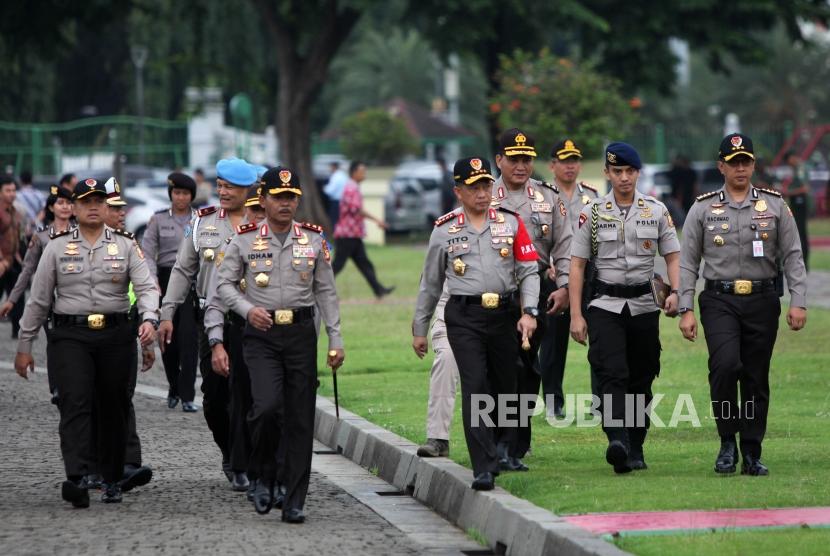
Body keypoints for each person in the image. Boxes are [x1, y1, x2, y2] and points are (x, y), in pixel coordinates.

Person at [14, 177, 159, 507]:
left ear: (106, 206)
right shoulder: (56, 247)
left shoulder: (124, 245)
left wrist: (149, 318)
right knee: (75, 401)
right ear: (74, 208)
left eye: (99, 201)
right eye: (85, 202)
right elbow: (38, 300)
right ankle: (77, 477)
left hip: (115, 335)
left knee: (114, 405)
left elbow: (147, 288)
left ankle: (112, 479)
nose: (93, 207)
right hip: (70, 336)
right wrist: (24, 346)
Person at [218, 166, 344, 523]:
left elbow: (326, 292)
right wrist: (247, 309)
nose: (286, 204)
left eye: (292, 198)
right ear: (265, 199)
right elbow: (224, 287)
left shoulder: (314, 240)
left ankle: (294, 497)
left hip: (301, 334)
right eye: (279, 197)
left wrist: (335, 337)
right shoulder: (243, 239)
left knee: (301, 418)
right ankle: (262, 474)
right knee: (267, 407)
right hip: (261, 335)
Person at [678, 133, 807, 476]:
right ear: (721, 166)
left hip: (763, 300)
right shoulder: (703, 207)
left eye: (745, 162)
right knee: (725, 366)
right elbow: (688, 261)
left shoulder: (775, 205)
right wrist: (685, 307)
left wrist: (799, 301)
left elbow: (793, 255)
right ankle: (726, 441)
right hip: (719, 300)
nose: (740, 168)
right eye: (733, 162)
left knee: (754, 376)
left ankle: (751, 451)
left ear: (753, 165)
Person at [412, 156, 540, 491]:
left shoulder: (511, 223)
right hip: (464, 317)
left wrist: (529, 312)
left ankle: (502, 447)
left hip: (504, 315)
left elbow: (528, 270)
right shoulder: (444, 230)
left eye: (485, 185)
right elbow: (430, 283)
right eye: (474, 187)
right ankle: (483, 465)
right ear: (459, 191)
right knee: (475, 387)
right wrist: (419, 329)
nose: (482, 193)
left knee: (505, 387)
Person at [569, 142, 680, 474]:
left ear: (638, 173)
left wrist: (677, 293)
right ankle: (617, 440)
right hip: (606, 304)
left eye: (629, 171)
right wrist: (576, 314)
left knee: (642, 377)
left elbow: (673, 256)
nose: (624, 177)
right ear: (607, 173)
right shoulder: (593, 212)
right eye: (617, 171)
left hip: (645, 306)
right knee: (612, 373)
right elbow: (576, 266)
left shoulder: (656, 210)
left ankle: (636, 444)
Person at [158, 158, 256, 486]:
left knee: (251, 395)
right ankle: (230, 452)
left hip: (254, 323)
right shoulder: (203, 223)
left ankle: (249, 461)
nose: (223, 192)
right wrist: (167, 313)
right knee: (214, 399)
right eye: (221, 186)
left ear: (248, 190)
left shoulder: (265, 222)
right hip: (211, 321)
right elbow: (184, 270)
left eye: (231, 187)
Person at [490, 128, 572, 471]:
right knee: (499, 369)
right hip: (495, 292)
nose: (521, 166)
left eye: (527, 159)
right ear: (500, 161)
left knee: (527, 368)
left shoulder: (547, 197)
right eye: (514, 159)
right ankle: (496, 442)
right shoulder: (483, 195)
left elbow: (565, 245)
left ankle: (516, 444)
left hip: (536, 291)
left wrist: (564, 285)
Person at [202, 184, 267, 498]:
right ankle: (239, 459)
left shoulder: (296, 241)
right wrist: (216, 342)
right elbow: (215, 298)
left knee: (267, 404)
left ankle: (266, 469)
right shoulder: (231, 243)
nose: (258, 216)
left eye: (262, 209)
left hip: (279, 335)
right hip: (236, 330)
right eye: (254, 210)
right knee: (229, 403)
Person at [539, 139, 598, 418]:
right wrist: (552, 266)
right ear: (552, 166)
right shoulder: (542, 196)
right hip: (556, 277)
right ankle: (553, 401)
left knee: (600, 337)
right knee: (553, 341)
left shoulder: (592, 196)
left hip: (590, 277)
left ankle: (601, 401)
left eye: (574, 160)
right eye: (564, 161)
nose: (570, 166)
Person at [1, 185, 74, 399]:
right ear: (51, 207)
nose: (65, 207)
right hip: (49, 300)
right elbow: (26, 272)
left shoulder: (82, 234)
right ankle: (58, 386)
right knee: (56, 342)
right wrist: (12, 300)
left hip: (75, 298)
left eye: (69, 202)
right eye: (60, 203)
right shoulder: (41, 238)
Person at [142, 172, 199, 412]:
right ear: (171, 194)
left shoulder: (199, 219)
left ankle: (187, 395)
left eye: (185, 193)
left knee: (190, 339)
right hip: (165, 281)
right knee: (168, 340)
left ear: (192, 196)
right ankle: (173, 386)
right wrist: (153, 281)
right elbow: (147, 253)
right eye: (177, 193)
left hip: (193, 283)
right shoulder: (157, 220)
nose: (181, 198)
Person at [332, 161, 394, 298]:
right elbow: (358, 210)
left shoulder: (353, 187)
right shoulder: (351, 188)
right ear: (354, 172)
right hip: (347, 235)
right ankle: (319, 289)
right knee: (338, 265)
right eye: (362, 171)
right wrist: (378, 220)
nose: (364, 174)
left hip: (353, 234)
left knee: (364, 264)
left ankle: (379, 290)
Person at [0, 175, 25, 338]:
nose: (11, 194)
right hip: (1, 261)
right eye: (7, 190)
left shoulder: (16, 210)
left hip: (13, 260)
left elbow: (18, 234)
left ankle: (17, 329)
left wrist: (18, 256)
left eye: (13, 190)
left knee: (17, 295)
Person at [781, 151, 810, 271]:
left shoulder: (800, 168)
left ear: (792, 158)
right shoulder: (796, 169)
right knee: (796, 233)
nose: (789, 164)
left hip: (800, 203)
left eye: (789, 161)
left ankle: (804, 264)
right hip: (795, 203)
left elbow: (805, 188)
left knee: (801, 233)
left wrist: (789, 192)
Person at [667, 154, 698, 219]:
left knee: (683, 212)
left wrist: (679, 198)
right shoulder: (682, 171)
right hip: (685, 197)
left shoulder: (684, 172)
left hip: (684, 196)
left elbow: (681, 187)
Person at [323, 161, 348, 229]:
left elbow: (330, 191)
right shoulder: (344, 175)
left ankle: (336, 235)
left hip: (336, 202)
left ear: (333, 167)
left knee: (334, 220)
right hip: (344, 201)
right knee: (342, 220)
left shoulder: (335, 176)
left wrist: (324, 188)